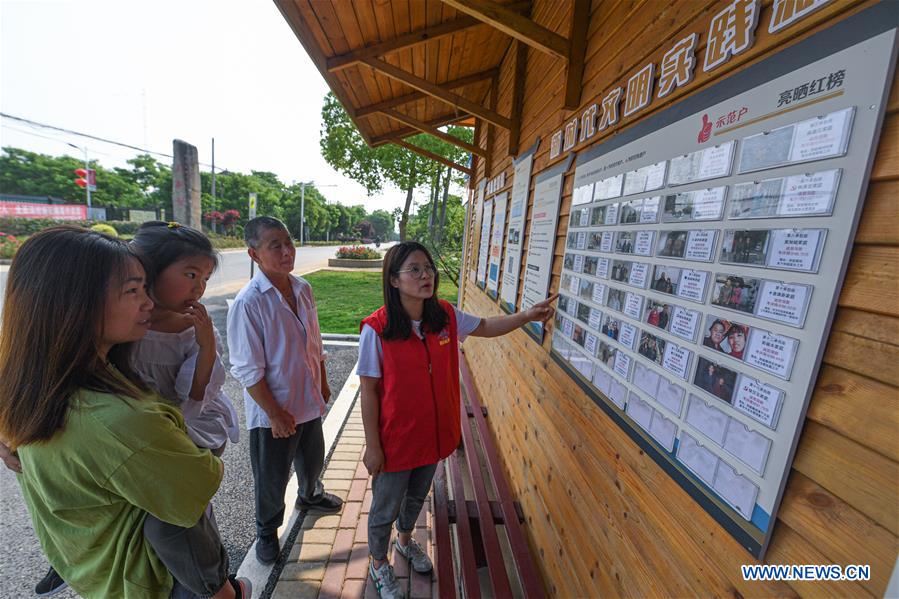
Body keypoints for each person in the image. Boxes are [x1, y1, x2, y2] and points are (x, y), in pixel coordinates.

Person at [0, 227, 248, 599]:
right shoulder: (124, 419)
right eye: (133, 290)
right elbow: (199, 482)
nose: (147, 302)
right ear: (76, 303)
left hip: (89, 566)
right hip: (147, 577)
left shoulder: (32, 384)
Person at [357, 242, 555, 599]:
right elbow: (368, 391)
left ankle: (405, 542)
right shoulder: (377, 329)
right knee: (384, 507)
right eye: (414, 270)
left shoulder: (444, 316)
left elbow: (487, 326)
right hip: (396, 442)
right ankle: (378, 561)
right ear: (394, 280)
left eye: (428, 268)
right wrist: (373, 447)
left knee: (417, 498)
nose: (425, 276)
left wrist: (526, 316)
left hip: (434, 437)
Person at [227, 216, 343, 565]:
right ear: (254, 254)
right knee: (271, 477)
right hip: (274, 411)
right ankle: (266, 531)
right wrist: (275, 413)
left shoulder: (302, 288)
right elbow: (247, 370)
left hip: (307, 399)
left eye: (288, 242)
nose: (286, 250)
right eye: (274, 245)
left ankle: (309, 494)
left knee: (312, 458)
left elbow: (314, 341)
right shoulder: (248, 302)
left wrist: (321, 380)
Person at [131, 221, 240, 455]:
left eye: (205, 279)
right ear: (148, 271)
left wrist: (207, 347)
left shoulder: (194, 331)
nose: (199, 288)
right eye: (191, 275)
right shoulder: (124, 324)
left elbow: (193, 401)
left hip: (191, 420)